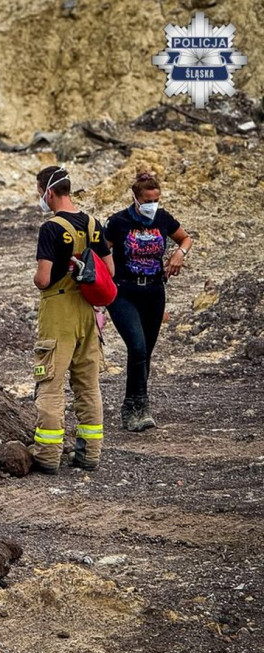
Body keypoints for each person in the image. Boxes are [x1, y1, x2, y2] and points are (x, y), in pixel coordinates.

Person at [32, 166, 115, 473]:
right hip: (89, 312)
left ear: (49, 192)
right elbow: (111, 271)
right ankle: (89, 453)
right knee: (88, 385)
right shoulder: (94, 223)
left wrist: (42, 277)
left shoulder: (51, 228)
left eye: (39, 192)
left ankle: (47, 455)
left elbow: (43, 279)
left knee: (50, 384)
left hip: (59, 311)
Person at [104, 170, 193, 432]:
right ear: (135, 198)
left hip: (154, 291)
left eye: (156, 200)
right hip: (124, 292)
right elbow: (101, 250)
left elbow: (186, 238)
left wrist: (179, 254)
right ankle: (136, 406)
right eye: (147, 201)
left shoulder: (163, 218)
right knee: (138, 347)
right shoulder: (118, 222)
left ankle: (135, 405)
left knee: (145, 354)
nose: (152, 205)